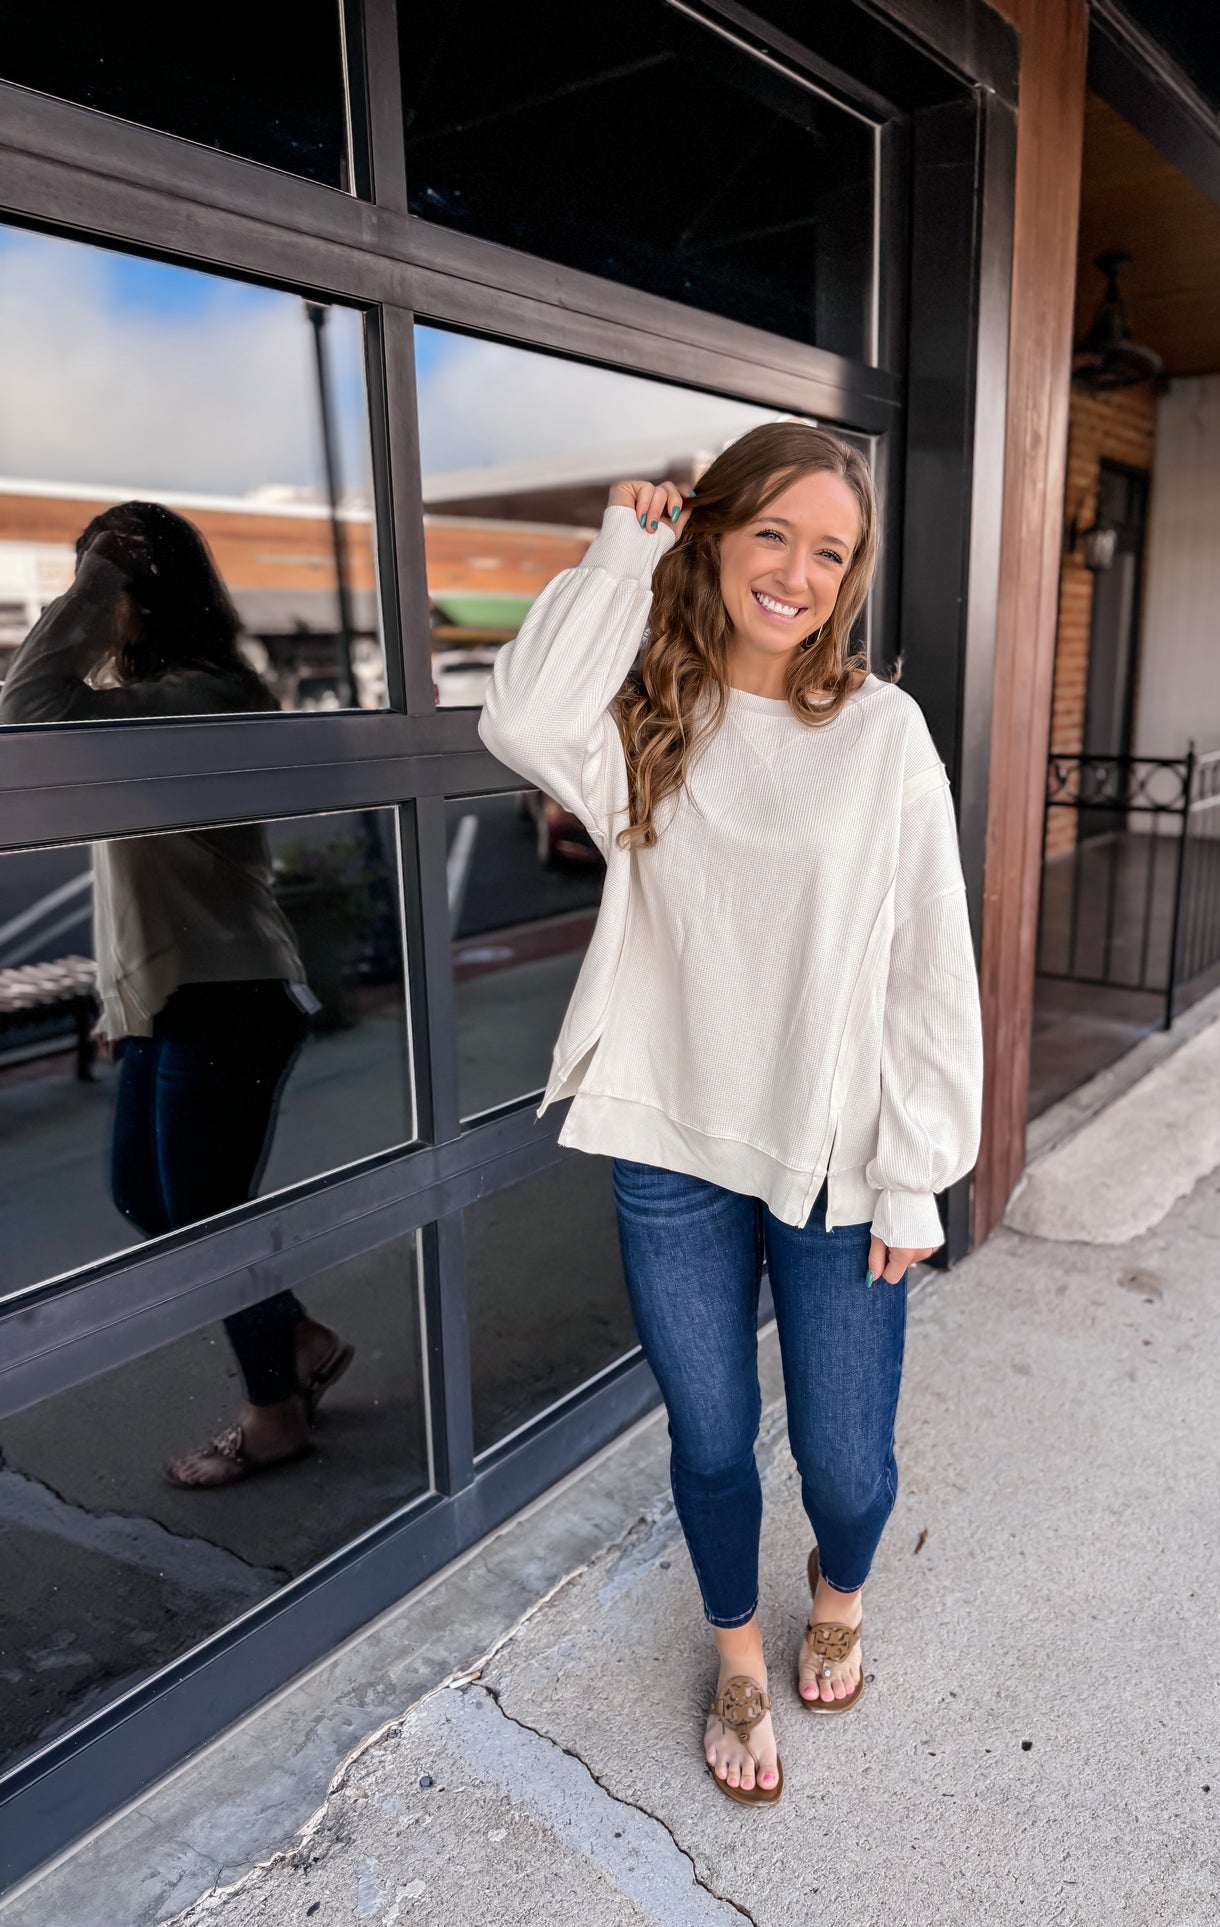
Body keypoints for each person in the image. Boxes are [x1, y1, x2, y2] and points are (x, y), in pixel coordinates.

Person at [478, 422, 983, 1806]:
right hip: (667, 1144)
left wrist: (916, 1171)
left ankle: (840, 1581)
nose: (799, 572)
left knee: (846, 1461)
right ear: (718, 534)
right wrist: (625, 542)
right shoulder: (650, 707)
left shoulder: (882, 733)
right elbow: (518, 717)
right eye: (773, 533)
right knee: (706, 1438)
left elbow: (929, 962)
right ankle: (738, 1651)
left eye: (831, 551)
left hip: (830, 1155)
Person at [0, 502, 354, 1486]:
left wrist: (97, 578)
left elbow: (25, 710)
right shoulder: (150, 703)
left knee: (206, 1215)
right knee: (144, 1195)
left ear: (142, 591)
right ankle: (298, 1341)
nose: (96, 605)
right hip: (172, 997)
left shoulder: (204, 696)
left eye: (108, 585)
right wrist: (122, 1006)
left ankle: (273, 1412)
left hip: (230, 991)